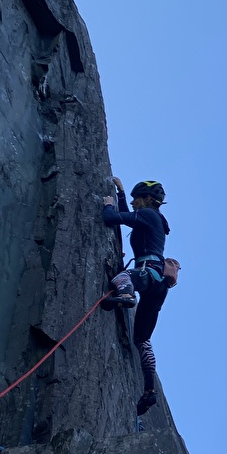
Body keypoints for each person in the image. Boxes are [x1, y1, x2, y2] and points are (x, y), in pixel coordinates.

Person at [102, 177, 172, 416]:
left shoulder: (149, 216)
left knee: (121, 278)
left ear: (146, 199)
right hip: (157, 284)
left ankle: (127, 297)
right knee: (142, 340)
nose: (133, 202)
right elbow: (127, 219)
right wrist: (120, 195)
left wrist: (108, 203)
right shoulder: (153, 219)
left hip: (146, 273)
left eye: (135, 198)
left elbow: (112, 219)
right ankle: (149, 390)